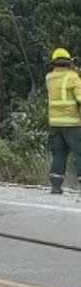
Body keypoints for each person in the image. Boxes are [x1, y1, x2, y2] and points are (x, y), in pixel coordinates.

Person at [45, 48, 81, 194]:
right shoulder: (73, 77)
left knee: (59, 154)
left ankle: (55, 185)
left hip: (55, 123)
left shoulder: (49, 78)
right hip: (72, 123)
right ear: (69, 62)